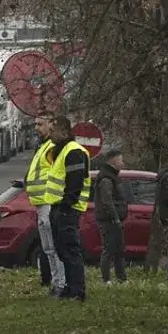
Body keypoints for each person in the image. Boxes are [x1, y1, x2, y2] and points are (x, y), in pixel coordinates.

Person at [47, 116, 91, 301]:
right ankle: (70, 287)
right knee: (62, 249)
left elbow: (75, 181)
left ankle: (77, 290)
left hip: (68, 209)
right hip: (59, 207)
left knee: (70, 250)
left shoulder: (73, 151)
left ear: (64, 130)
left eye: (52, 131)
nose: (50, 135)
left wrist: (67, 204)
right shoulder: (63, 150)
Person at [23, 112, 65, 295]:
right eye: (35, 124)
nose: (36, 128)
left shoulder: (52, 147)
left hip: (49, 202)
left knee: (54, 247)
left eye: (40, 124)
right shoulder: (44, 146)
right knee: (48, 248)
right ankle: (56, 284)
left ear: (51, 124)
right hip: (41, 203)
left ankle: (61, 284)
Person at [93, 148, 129, 284]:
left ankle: (122, 278)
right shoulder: (106, 178)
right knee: (109, 249)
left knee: (119, 249)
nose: (123, 163)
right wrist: (114, 217)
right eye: (120, 160)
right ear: (114, 161)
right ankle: (106, 279)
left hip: (115, 219)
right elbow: (107, 200)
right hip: (109, 220)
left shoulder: (112, 176)